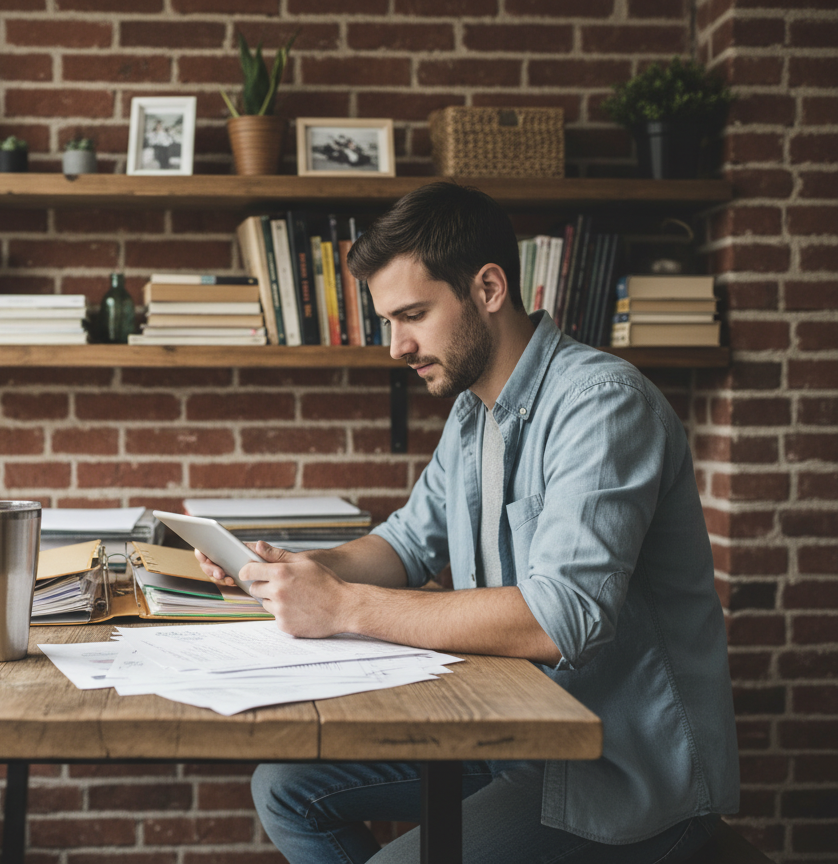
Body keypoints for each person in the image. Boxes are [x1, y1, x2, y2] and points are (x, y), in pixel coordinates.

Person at [198, 182, 739, 864]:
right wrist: (286, 569)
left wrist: (342, 607)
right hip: (510, 736)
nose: (395, 346)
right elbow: (404, 544)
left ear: (488, 288)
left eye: (413, 314)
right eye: (388, 321)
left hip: (619, 773)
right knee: (285, 788)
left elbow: (559, 617)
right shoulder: (471, 414)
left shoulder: (603, 406)